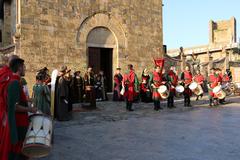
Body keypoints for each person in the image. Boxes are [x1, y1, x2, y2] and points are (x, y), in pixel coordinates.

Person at [4, 58, 37, 160]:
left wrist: (28, 99)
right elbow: (14, 106)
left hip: (21, 123)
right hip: (19, 124)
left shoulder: (16, 81)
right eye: (24, 67)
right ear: (19, 67)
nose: (25, 69)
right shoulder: (14, 83)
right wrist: (30, 109)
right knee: (20, 153)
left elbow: (17, 99)